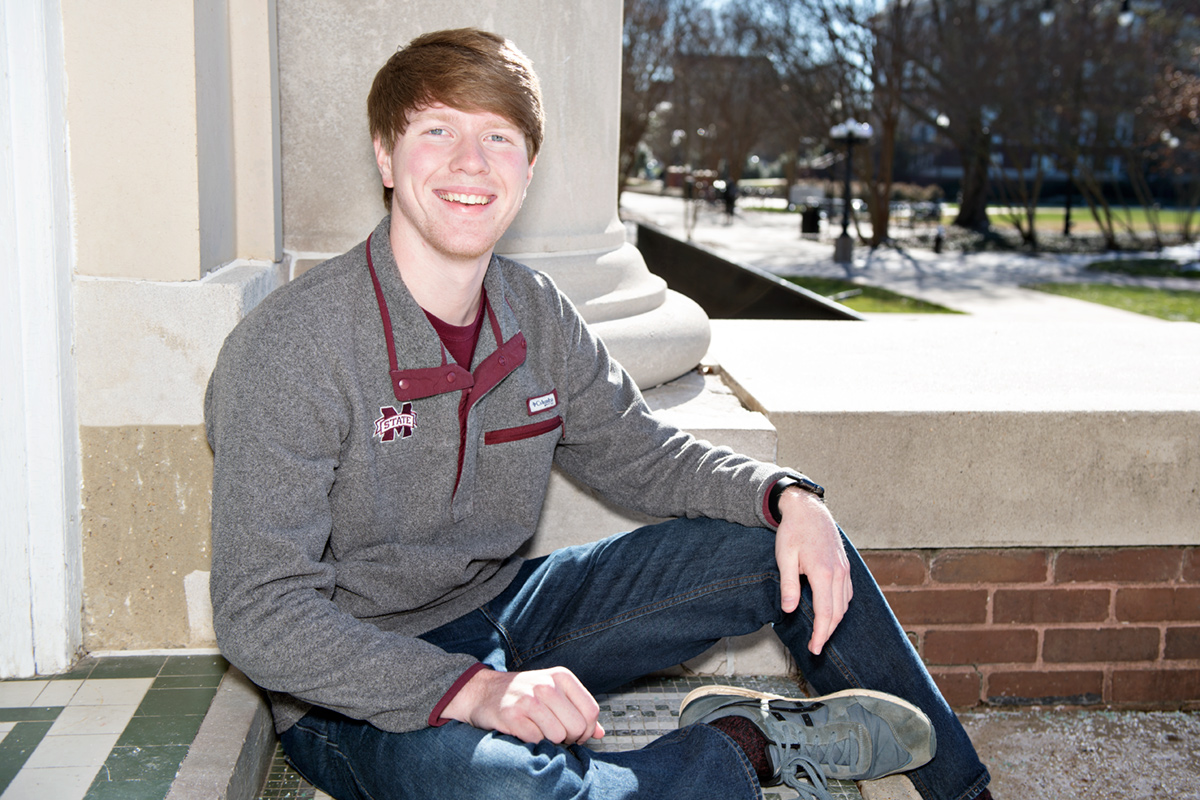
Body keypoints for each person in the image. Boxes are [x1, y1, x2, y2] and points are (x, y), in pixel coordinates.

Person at [205, 28, 993, 800]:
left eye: (498, 137)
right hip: (353, 686)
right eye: (436, 129)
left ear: (528, 167)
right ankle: (745, 748)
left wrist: (787, 494)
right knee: (487, 785)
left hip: (511, 611)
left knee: (790, 541)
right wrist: (472, 692)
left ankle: (960, 790)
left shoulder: (536, 313)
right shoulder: (291, 347)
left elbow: (642, 454)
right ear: (385, 153)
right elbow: (260, 613)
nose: (469, 162)